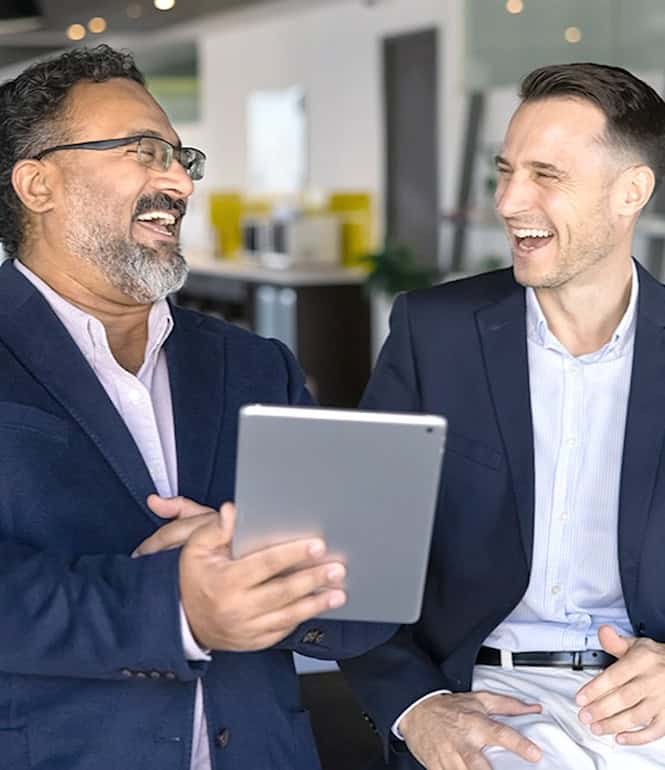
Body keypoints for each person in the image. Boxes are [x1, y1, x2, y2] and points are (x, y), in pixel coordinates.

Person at [0, 45, 394, 770]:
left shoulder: (253, 364)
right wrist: (179, 605)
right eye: (144, 152)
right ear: (37, 183)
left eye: (183, 158)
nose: (178, 181)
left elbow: (361, 613)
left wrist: (254, 560)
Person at [340, 62, 665, 770]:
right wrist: (414, 707)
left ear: (629, 192)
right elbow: (352, 560)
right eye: (505, 170)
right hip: (480, 693)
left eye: (545, 175)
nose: (509, 200)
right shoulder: (435, 333)